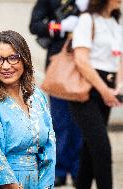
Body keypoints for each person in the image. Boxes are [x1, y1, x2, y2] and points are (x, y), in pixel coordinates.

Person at [0, 30, 56, 189]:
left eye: (13, 58)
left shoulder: (36, 96)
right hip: (5, 184)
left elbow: (49, 145)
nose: (5, 66)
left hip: (38, 181)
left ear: (24, 59)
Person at [29, 0, 88, 186]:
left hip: (87, 64)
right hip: (60, 64)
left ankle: (80, 169)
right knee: (60, 120)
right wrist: (60, 26)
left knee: (83, 121)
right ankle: (59, 170)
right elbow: (35, 25)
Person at [71, 0, 123, 188]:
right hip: (87, 90)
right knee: (102, 149)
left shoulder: (116, 22)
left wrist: (117, 87)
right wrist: (104, 90)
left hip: (108, 88)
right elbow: (81, 60)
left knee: (90, 149)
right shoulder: (87, 19)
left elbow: (119, 58)